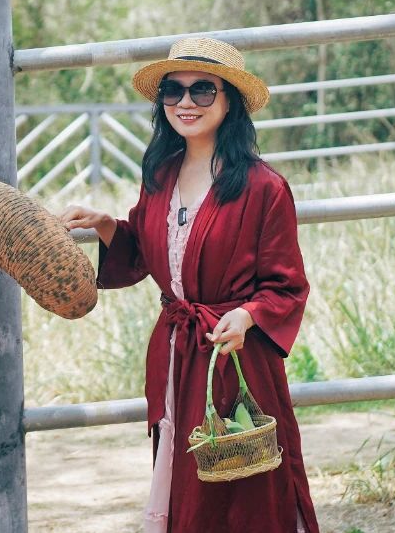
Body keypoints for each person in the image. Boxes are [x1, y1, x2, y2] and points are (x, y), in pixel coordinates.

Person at [58, 36, 318, 533]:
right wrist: (107, 225)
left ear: (230, 101)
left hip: (234, 354)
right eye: (172, 92)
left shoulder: (265, 188)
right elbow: (147, 253)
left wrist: (246, 316)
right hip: (177, 354)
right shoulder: (160, 173)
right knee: (186, 479)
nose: (185, 103)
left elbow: (286, 286)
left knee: (245, 489)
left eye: (203, 90)